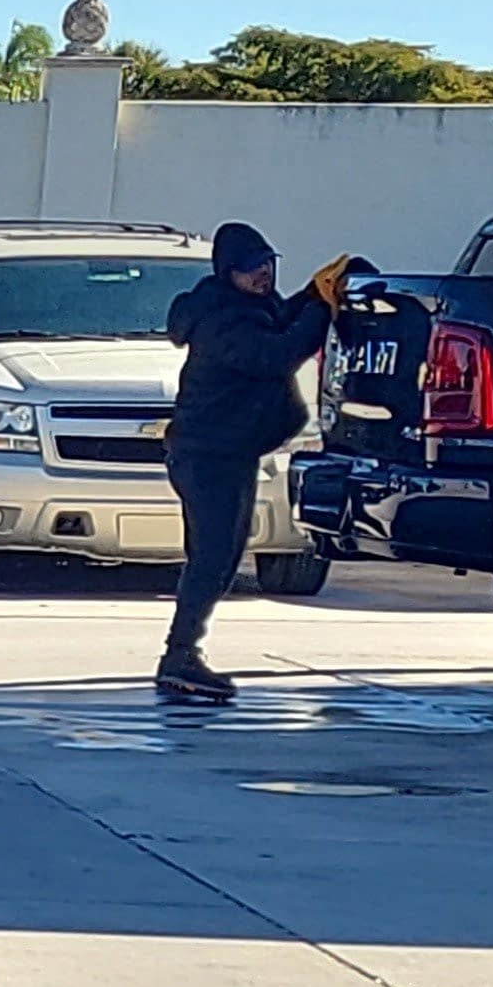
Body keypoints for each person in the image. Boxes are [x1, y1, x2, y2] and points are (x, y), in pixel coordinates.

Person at [158, 221, 350, 704]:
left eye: (266, 263)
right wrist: (322, 310)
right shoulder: (221, 320)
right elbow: (277, 353)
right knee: (213, 556)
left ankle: (183, 654)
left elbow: (283, 316)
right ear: (228, 273)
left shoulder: (246, 305)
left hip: (227, 451)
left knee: (220, 554)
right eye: (249, 269)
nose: (262, 274)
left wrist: (311, 294)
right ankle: (179, 656)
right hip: (208, 456)